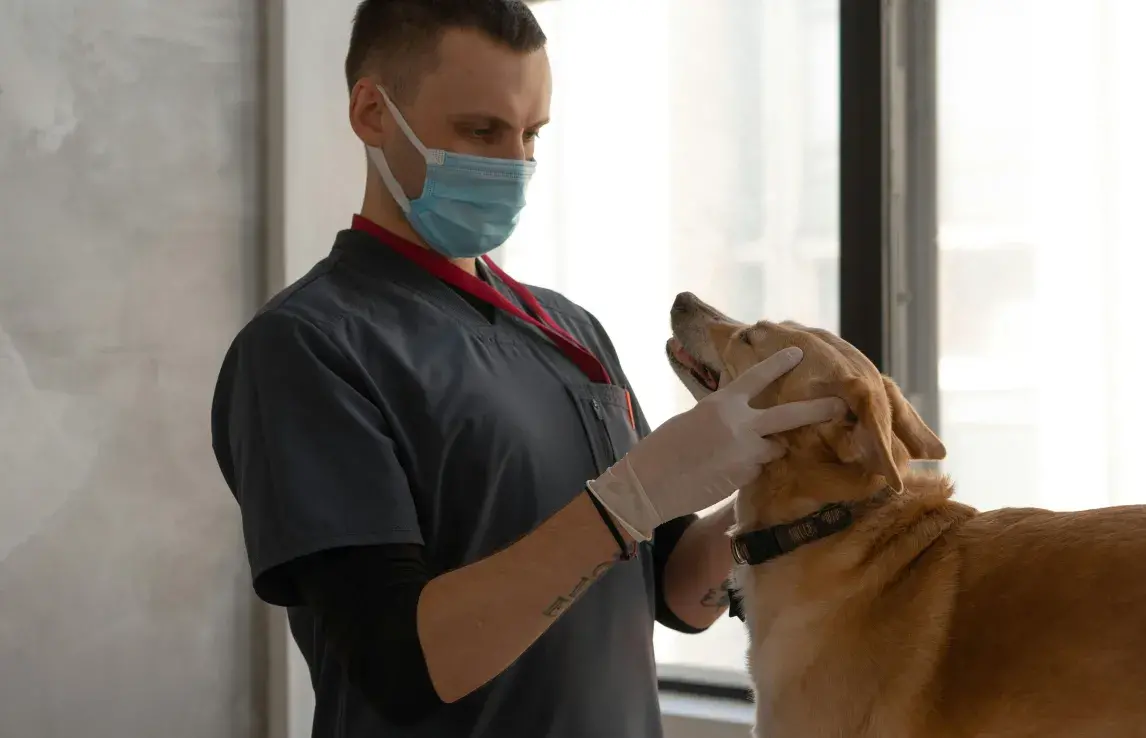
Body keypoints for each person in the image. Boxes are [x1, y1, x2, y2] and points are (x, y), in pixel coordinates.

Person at [210, 1, 842, 736]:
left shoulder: (567, 330)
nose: (515, 164)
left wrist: (772, 493)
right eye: (481, 130)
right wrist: (625, 501)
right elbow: (403, 669)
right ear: (372, 112)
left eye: (531, 134)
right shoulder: (308, 348)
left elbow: (669, 589)